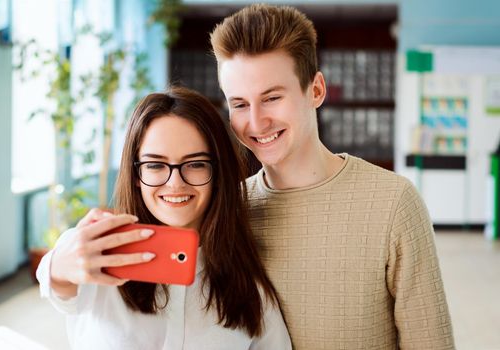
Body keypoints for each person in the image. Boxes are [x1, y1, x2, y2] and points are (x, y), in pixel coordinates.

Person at [209, 4, 455, 349]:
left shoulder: (393, 203)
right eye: (239, 104)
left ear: (316, 90)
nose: (257, 121)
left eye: (272, 98)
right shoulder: (228, 210)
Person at [36, 87, 291, 349]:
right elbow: (56, 281)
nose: (175, 183)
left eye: (195, 164)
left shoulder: (250, 289)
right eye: (156, 165)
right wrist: (60, 266)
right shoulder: (99, 254)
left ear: (218, 173)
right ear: (136, 175)